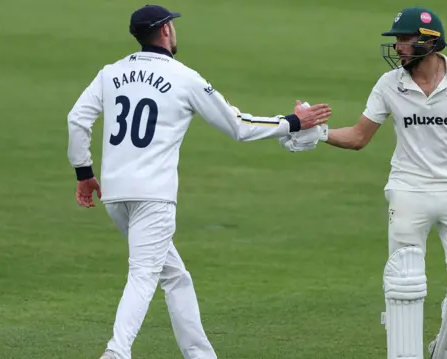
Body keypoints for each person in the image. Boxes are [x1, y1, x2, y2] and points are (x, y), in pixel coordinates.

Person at [67, 4, 332, 359]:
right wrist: (292, 122)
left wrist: (84, 175)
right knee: (143, 274)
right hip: (154, 197)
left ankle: (200, 355)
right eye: (172, 27)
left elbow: (77, 120)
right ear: (164, 31)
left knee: (174, 277)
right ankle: (116, 352)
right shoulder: (185, 78)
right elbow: (239, 126)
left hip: (115, 194)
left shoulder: (110, 73)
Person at [279, 6, 447, 359]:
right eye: (398, 41)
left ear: (429, 42)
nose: (399, 48)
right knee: (404, 283)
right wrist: (318, 133)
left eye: (405, 41)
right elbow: (360, 136)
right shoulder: (389, 84)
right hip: (408, 190)